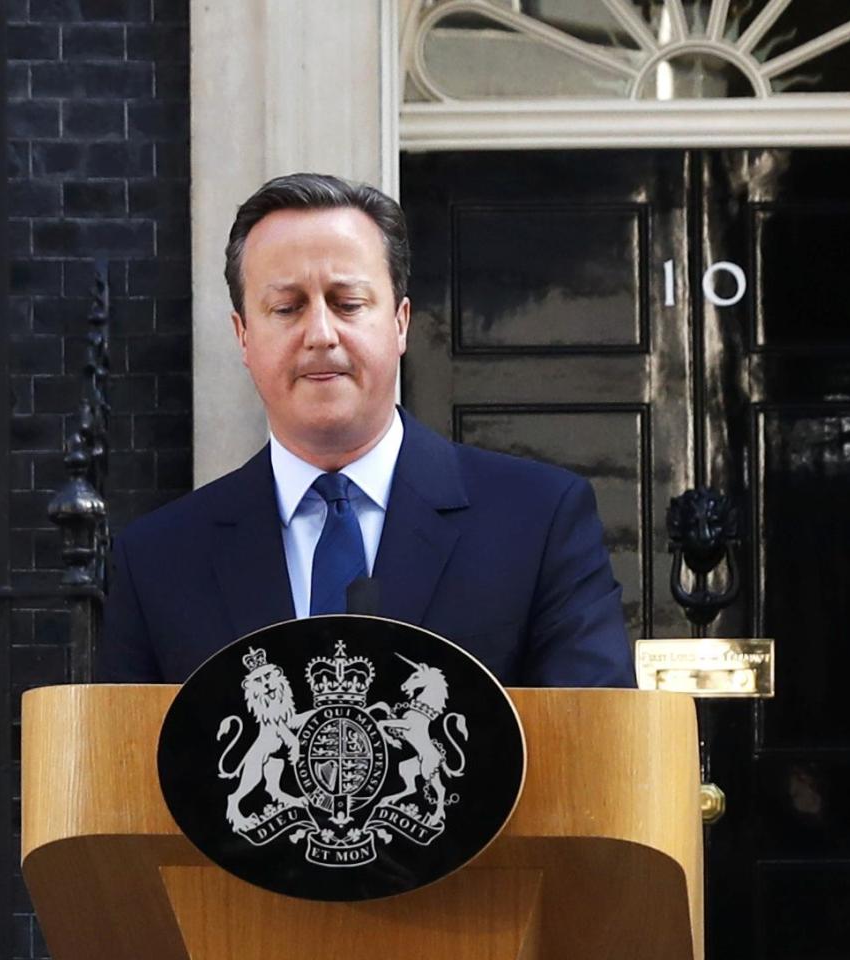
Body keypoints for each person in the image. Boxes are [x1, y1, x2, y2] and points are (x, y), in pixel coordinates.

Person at [96, 173, 635, 686]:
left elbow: (595, 749)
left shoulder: (538, 522)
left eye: (347, 304)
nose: (321, 334)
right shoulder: (158, 560)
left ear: (400, 322)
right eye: (286, 308)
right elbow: (121, 766)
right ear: (243, 336)